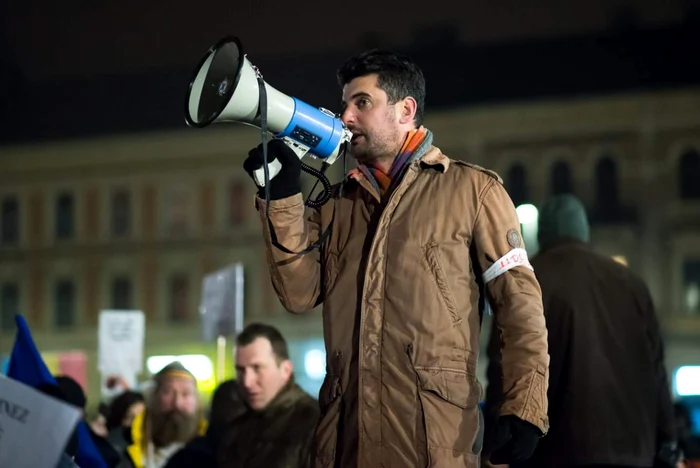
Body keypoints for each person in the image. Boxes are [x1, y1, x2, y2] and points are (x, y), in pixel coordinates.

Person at [242, 49, 549, 467]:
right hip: (346, 446)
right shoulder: (337, 204)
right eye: (345, 103)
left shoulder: (473, 192)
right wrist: (281, 199)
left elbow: (520, 307)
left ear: (406, 110)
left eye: (361, 103)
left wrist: (525, 407)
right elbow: (298, 295)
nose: (345, 116)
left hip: (433, 446)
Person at [483, 194, 680, 468]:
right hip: (634, 450)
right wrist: (668, 440)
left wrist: (496, 440)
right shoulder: (631, 283)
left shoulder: (529, 278)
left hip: (557, 450)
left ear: (544, 232)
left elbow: (504, 364)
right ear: (584, 229)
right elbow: (656, 369)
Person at [219, 323, 320, 468]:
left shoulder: (314, 423)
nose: (247, 382)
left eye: (257, 368)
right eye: (241, 370)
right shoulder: (236, 428)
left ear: (285, 370)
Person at [114, 362, 207, 468]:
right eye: (168, 392)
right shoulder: (123, 445)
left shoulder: (213, 451)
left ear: (197, 401)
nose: (177, 403)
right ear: (153, 398)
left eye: (185, 394)